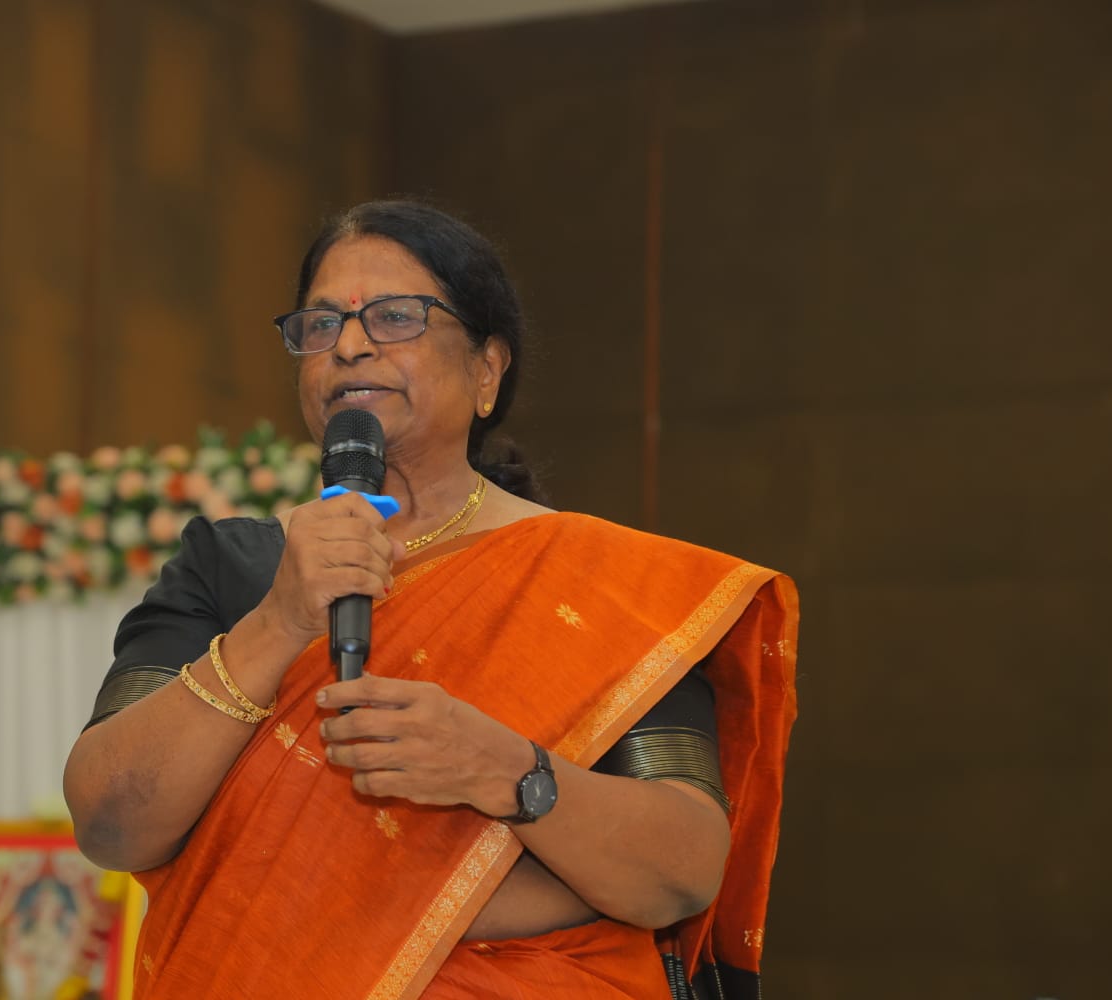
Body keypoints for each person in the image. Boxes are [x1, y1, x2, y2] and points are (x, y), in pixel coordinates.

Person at [62, 200, 798, 1000]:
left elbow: (682, 874)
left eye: (394, 316)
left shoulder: (603, 587)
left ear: (487, 371)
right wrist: (277, 624)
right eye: (321, 324)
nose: (349, 345)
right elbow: (110, 824)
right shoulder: (232, 567)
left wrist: (505, 769)